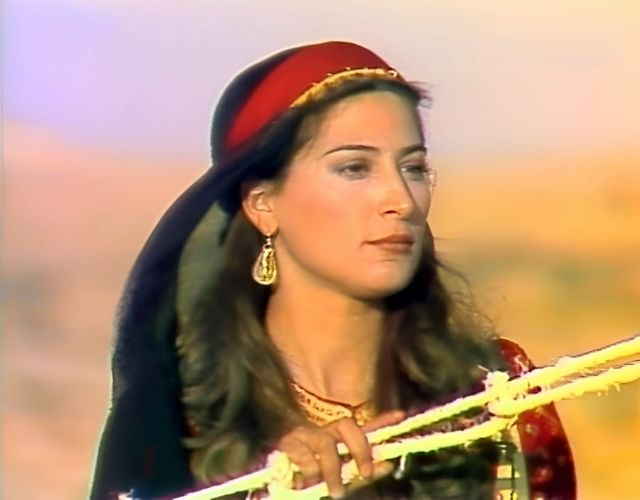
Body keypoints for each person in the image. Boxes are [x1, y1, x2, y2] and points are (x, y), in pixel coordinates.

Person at [90, 41, 576, 499]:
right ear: (262, 203)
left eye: (412, 168)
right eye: (354, 168)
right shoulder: (180, 425)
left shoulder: (494, 394)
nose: (401, 200)